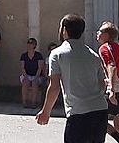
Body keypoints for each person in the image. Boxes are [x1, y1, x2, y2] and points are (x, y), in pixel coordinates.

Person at [35, 14, 109, 143]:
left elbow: (54, 86)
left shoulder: (57, 54)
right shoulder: (93, 55)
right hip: (99, 111)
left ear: (64, 30)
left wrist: (45, 112)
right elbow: (102, 84)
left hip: (78, 113)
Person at [24, 38, 47, 109]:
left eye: (32, 44)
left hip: (37, 75)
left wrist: (36, 77)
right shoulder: (24, 55)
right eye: (29, 43)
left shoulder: (38, 55)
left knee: (35, 83)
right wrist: (26, 76)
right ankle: (24, 102)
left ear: (35, 45)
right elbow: (22, 68)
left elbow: (40, 68)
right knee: (25, 82)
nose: (30, 45)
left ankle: (33, 103)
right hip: (27, 75)